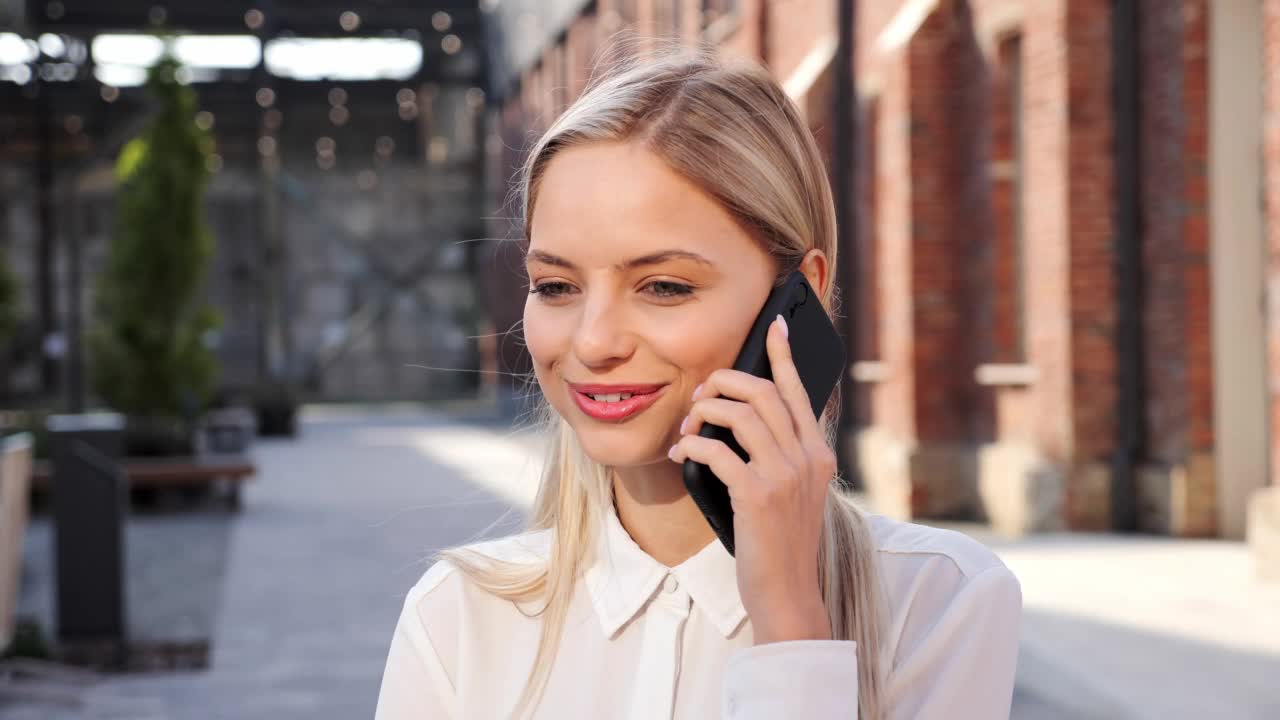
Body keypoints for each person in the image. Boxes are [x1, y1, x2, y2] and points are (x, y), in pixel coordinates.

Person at [374, 41, 1021, 720]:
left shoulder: (938, 600)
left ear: (801, 296)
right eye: (556, 285)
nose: (593, 342)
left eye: (663, 286)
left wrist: (790, 622)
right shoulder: (458, 617)